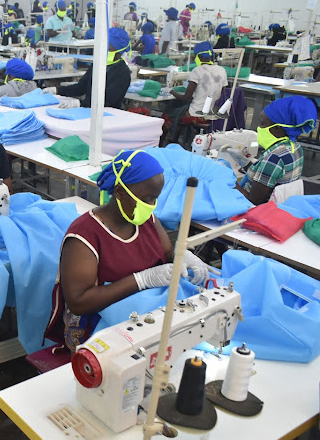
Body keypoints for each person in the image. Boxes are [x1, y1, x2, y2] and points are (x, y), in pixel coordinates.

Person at [44, 150, 209, 351]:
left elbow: (167, 255)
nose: (150, 206)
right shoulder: (84, 236)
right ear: (120, 193)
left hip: (147, 314)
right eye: (146, 199)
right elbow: (79, 302)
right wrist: (141, 280)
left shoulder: (147, 220)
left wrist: (183, 258)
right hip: (98, 328)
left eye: (154, 199)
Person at [236, 96, 316, 205]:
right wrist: (245, 163)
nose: (259, 128)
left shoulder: (274, 158)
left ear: (277, 129)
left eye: (262, 124)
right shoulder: (295, 147)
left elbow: (252, 201)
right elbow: (267, 176)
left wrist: (226, 180)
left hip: (257, 212)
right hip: (280, 207)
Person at [48, 27, 132, 109]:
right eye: (103, 46)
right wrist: (57, 90)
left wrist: (80, 103)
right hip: (90, 110)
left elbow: (109, 100)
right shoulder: (98, 65)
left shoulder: (123, 73)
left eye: (108, 48)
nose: (104, 50)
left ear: (119, 52)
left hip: (108, 115)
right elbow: (81, 87)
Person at [167, 41, 227, 143]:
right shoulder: (222, 70)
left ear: (198, 56)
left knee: (170, 113)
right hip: (212, 113)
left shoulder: (197, 71)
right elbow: (221, 94)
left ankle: (171, 141)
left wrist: (171, 91)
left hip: (196, 113)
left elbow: (186, 99)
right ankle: (185, 139)